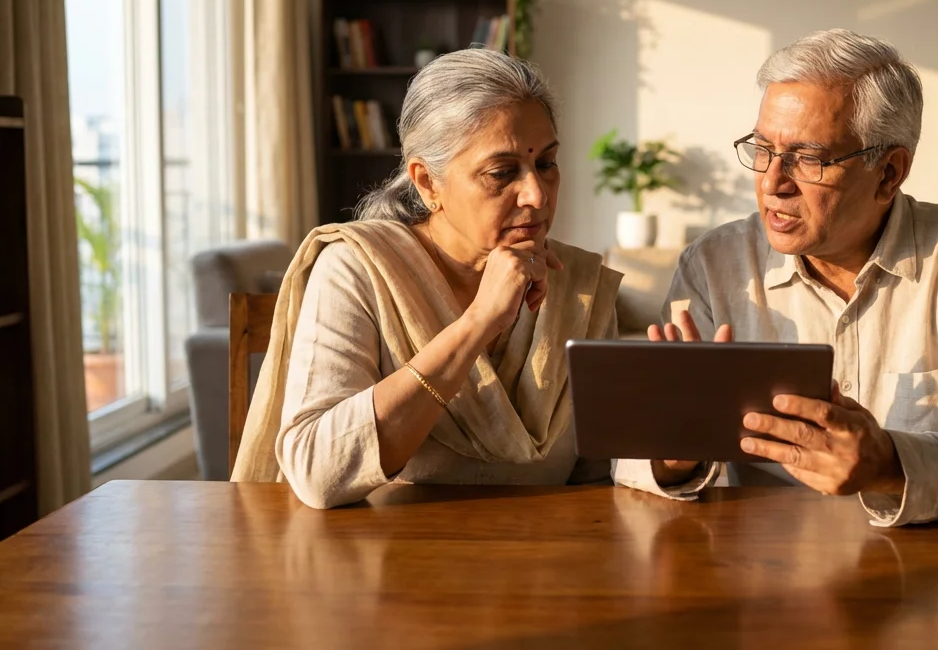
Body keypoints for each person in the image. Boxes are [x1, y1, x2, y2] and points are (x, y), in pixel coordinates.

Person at [231, 49, 717, 507]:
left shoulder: (578, 285)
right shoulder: (358, 269)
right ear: (426, 182)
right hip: (384, 570)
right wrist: (479, 322)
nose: (537, 195)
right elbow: (317, 471)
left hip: (546, 572)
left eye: (545, 163)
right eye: (502, 172)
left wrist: (670, 454)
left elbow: (596, 473)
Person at [649, 30, 938, 526]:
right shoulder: (714, 266)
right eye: (762, 149)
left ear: (889, 173)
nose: (771, 182)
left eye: (807, 158)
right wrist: (672, 453)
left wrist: (890, 465)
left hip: (932, 568)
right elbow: (636, 456)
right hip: (758, 569)